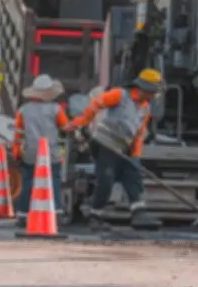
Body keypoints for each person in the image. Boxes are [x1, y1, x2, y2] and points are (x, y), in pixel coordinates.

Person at [64, 69, 164, 231]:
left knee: (133, 177)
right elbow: (97, 103)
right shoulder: (120, 95)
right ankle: (95, 215)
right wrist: (81, 123)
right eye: (153, 93)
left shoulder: (145, 108)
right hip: (105, 143)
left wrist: (135, 157)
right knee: (106, 180)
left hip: (124, 147)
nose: (154, 97)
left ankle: (138, 213)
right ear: (145, 88)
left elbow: (139, 133)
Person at [12, 74, 69, 228]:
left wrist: (17, 152)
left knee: (29, 182)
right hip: (52, 154)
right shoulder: (56, 110)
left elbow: (18, 135)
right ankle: (56, 213)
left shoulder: (23, 111)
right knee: (54, 182)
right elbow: (66, 128)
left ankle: (23, 215)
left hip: (30, 153)